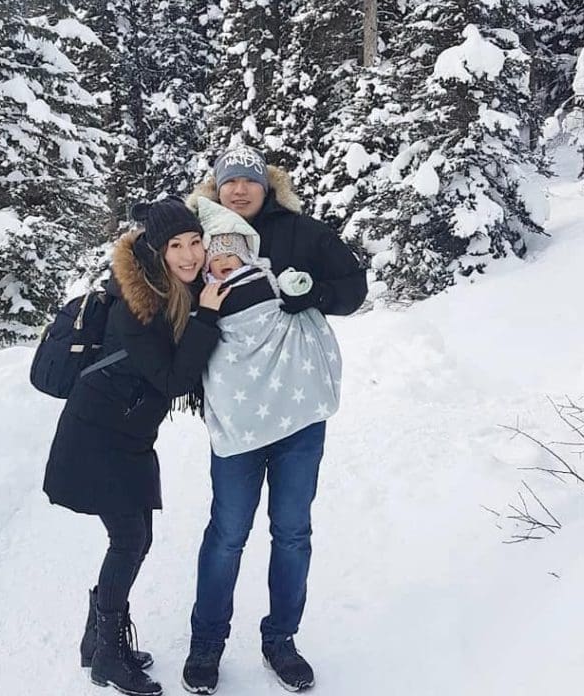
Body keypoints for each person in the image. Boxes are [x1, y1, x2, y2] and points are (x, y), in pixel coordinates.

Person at [182, 147, 367, 694]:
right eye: (229, 181)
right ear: (215, 187)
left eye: (249, 181)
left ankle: (281, 641)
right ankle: (206, 644)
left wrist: (308, 293)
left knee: (291, 532)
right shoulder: (195, 235)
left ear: (267, 186)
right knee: (228, 533)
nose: (239, 189)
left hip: (298, 413)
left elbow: (353, 291)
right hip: (238, 414)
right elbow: (163, 289)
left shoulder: (303, 233)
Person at [43, 198, 229, 696]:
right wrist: (207, 319)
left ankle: (95, 641)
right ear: (155, 250)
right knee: (129, 541)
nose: (190, 255)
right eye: (176, 246)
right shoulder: (138, 304)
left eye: (195, 242)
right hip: (97, 437)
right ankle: (106, 654)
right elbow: (171, 378)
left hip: (126, 435)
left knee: (135, 539)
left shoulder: (176, 289)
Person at [195, 195, 342, 458]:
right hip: (235, 362)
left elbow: (287, 290)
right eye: (216, 259)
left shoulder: (265, 273)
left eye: (232, 255)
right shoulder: (205, 287)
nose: (224, 261)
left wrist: (302, 290)